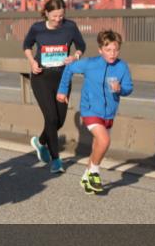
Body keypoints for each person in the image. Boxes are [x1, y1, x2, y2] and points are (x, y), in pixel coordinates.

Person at [57, 30, 133, 194]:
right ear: (100, 50)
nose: (112, 54)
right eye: (108, 50)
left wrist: (120, 89)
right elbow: (69, 69)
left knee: (98, 144)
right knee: (104, 141)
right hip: (90, 109)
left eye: (116, 50)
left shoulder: (122, 66)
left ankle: (86, 175)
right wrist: (62, 91)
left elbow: (129, 88)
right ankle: (95, 173)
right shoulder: (90, 63)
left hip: (109, 113)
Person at [23, 0, 86, 174]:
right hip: (41, 78)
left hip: (63, 79)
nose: (58, 20)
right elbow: (27, 45)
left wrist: (75, 57)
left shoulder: (70, 27)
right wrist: (32, 62)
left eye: (61, 16)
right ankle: (56, 160)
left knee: (59, 120)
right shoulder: (37, 28)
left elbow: (81, 46)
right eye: (55, 16)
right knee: (50, 118)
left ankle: (40, 141)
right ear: (47, 13)